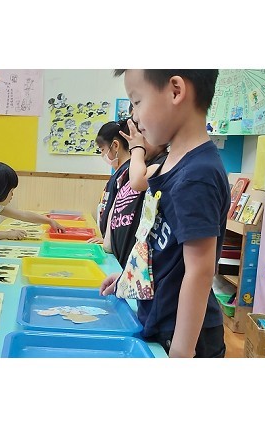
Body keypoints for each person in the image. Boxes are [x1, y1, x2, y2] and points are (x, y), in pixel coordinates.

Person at [101, 70, 229, 358]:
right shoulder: (172, 162)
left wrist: (182, 351)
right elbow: (160, 246)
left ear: (175, 91)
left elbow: (199, 270)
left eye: (136, 102)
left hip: (186, 334)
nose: (134, 117)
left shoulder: (197, 175)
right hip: (162, 318)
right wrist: (127, 278)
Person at [100, 119, 168, 268]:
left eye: (142, 135)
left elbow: (138, 182)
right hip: (119, 257)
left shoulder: (163, 163)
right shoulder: (137, 167)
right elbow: (116, 205)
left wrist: (137, 148)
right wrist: (108, 242)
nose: (136, 142)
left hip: (136, 262)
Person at [93, 120, 132, 237]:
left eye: (102, 150)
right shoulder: (119, 172)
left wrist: (109, 240)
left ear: (115, 146)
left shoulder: (127, 173)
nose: (102, 155)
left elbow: (123, 214)